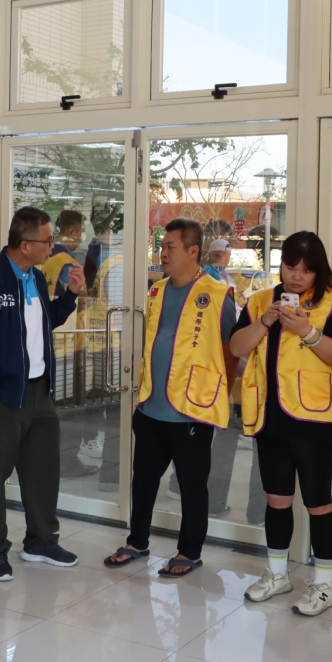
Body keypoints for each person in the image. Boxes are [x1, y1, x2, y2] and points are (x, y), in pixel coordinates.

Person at [230, 231, 332, 616]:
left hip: (313, 418)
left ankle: (324, 586)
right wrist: (265, 322)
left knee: (318, 503)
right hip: (269, 416)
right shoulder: (258, 301)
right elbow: (236, 347)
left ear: (319, 271)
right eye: (290, 267)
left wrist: (308, 332)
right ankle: (277, 575)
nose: (296, 276)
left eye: (306, 270)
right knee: (277, 500)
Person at [103, 218, 237, 577]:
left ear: (193, 251)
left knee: (192, 486)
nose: (163, 253)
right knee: (143, 481)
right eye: (161, 246)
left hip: (191, 409)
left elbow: (231, 350)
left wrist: (219, 393)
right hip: (151, 405)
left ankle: (189, 552)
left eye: (170, 247)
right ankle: (137, 542)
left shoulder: (218, 294)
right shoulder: (157, 290)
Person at [0, 206, 85, 582]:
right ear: (26, 244)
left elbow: (44, 321)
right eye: (48, 241)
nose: (53, 247)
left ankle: (41, 541)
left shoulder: (35, 277)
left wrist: (70, 297)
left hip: (39, 392)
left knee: (43, 470)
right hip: (4, 396)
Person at [42, 209, 85, 298]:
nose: (81, 239)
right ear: (72, 232)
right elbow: (77, 296)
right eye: (81, 233)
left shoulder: (42, 252)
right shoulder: (66, 261)